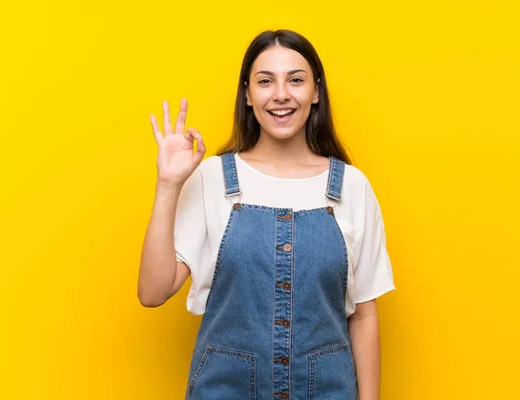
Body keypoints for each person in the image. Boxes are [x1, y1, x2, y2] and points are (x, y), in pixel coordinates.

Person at [138, 29, 396, 400]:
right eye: (265, 81)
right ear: (247, 94)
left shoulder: (351, 187)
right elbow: (153, 291)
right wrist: (168, 185)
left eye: (295, 80)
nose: (280, 94)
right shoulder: (211, 178)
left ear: (316, 92)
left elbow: (364, 314)